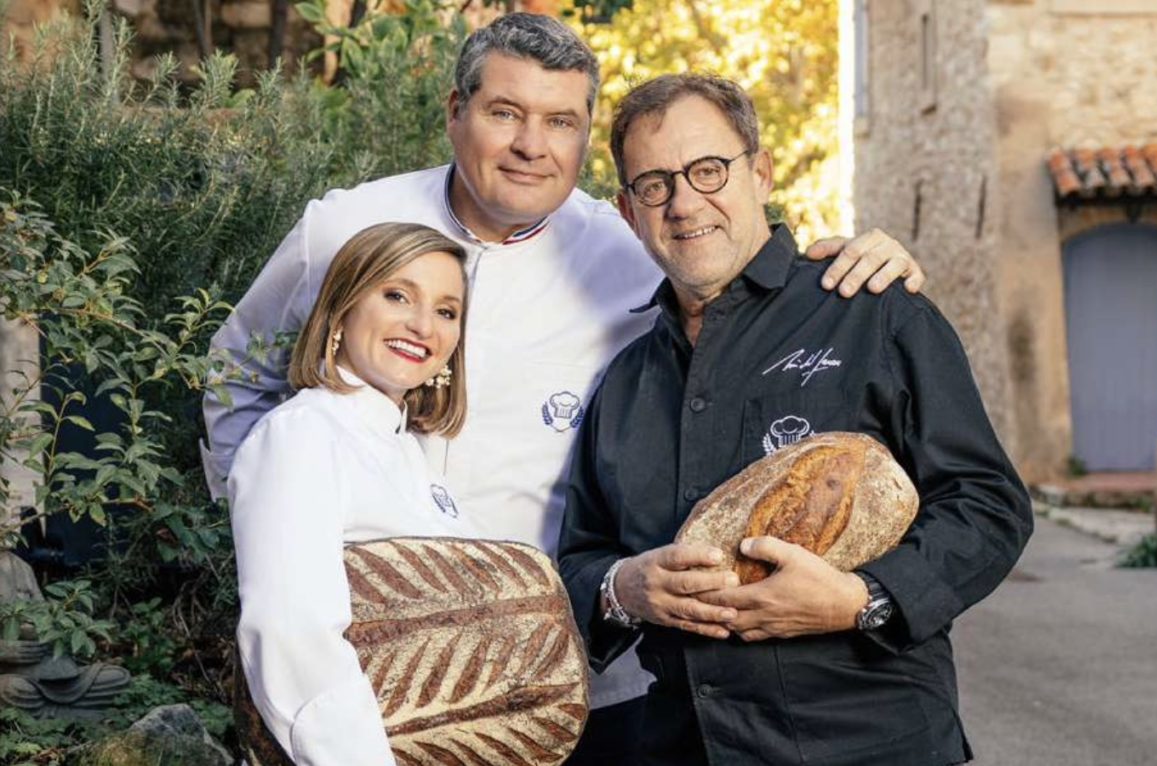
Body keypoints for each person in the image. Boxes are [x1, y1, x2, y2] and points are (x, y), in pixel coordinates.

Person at [203, 14, 927, 763]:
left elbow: (740, 269)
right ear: (456, 112)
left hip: (572, 679)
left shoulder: (632, 249)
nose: (531, 146)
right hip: (365, 674)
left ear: (584, 140)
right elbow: (237, 372)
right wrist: (272, 522)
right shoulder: (343, 227)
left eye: (561, 122)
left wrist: (855, 262)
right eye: (504, 113)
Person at [556, 74, 1033, 766]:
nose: (685, 203)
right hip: (682, 748)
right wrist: (623, 588)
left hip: (870, 745)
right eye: (655, 185)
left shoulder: (871, 308)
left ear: (762, 174)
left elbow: (990, 506)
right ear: (629, 213)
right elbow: (580, 556)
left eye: (708, 170)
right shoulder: (626, 383)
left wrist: (860, 600)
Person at [229, 223, 475, 764]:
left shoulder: (408, 450)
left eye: (446, 311)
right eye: (397, 295)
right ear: (342, 308)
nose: (422, 325)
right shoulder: (302, 435)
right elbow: (291, 634)